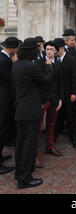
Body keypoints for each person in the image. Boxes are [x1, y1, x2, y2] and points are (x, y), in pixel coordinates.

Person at [12, 38, 53, 189]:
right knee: (29, 144)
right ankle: (25, 178)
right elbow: (46, 80)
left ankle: (20, 172)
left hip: (20, 108)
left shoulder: (17, 65)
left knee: (21, 143)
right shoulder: (31, 66)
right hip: (31, 109)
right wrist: (49, 66)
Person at [36, 41, 63, 167]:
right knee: (38, 127)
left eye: (52, 49)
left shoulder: (58, 64)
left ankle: (50, 146)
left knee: (52, 124)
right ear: (44, 50)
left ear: (56, 51)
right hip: (42, 100)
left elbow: (61, 83)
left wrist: (60, 99)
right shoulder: (39, 63)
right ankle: (34, 154)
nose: (49, 51)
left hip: (54, 99)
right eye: (47, 49)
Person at [54, 38, 76, 148]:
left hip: (69, 94)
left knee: (71, 117)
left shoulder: (72, 59)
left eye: (55, 49)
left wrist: (74, 92)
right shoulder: (53, 60)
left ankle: (74, 138)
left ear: (61, 48)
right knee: (56, 118)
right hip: (57, 95)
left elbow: (75, 78)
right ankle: (53, 138)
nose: (54, 51)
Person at [0, 37, 19, 174]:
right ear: (12, 48)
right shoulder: (4, 61)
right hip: (4, 98)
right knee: (2, 127)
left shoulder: (4, 57)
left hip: (5, 97)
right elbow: (11, 78)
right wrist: (15, 64)